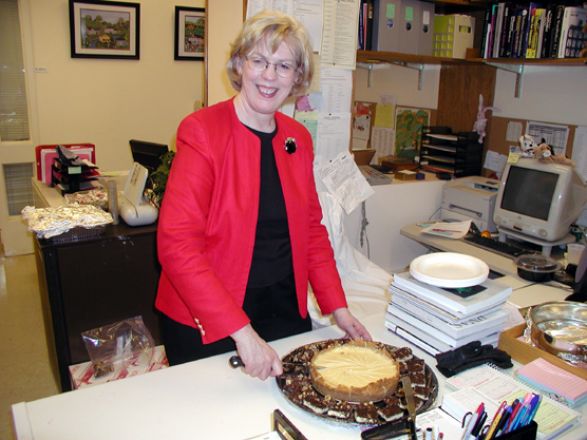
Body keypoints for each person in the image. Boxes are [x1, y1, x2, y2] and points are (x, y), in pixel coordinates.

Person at [155, 10, 370, 380]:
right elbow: (177, 246)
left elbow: (311, 231)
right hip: (209, 316)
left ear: (298, 77)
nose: (269, 76)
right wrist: (242, 331)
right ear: (240, 64)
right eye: (259, 61)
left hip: (283, 307)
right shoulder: (202, 131)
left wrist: (338, 308)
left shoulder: (297, 138)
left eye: (284, 65)